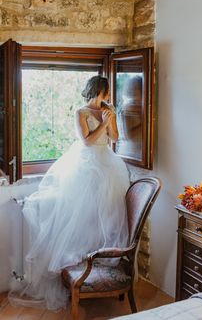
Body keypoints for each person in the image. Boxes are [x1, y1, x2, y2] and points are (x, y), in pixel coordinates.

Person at [9, 76, 130, 311]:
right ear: (98, 91)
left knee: (106, 217)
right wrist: (103, 123)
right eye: (106, 92)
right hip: (86, 167)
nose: (108, 96)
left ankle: (100, 265)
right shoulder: (81, 112)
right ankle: (78, 270)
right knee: (81, 219)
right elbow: (87, 142)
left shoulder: (108, 111)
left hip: (109, 167)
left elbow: (115, 138)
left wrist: (112, 121)